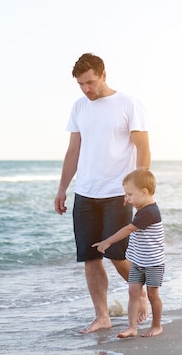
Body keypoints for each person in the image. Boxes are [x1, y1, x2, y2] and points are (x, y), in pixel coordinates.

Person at [54, 53, 151, 334]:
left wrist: (139, 190)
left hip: (117, 194)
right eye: (81, 84)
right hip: (85, 193)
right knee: (90, 257)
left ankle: (141, 294)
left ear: (104, 75)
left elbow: (143, 147)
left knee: (117, 255)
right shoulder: (79, 107)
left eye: (91, 82)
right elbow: (73, 151)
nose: (87, 89)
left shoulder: (128, 103)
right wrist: (62, 188)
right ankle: (102, 316)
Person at [92, 168, 164, 338]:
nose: (127, 199)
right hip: (138, 261)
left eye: (129, 194)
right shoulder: (143, 208)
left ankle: (157, 325)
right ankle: (132, 327)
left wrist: (107, 241)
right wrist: (131, 200)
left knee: (153, 295)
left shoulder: (150, 212)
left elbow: (128, 229)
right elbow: (134, 219)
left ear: (144, 192)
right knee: (133, 292)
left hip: (153, 262)